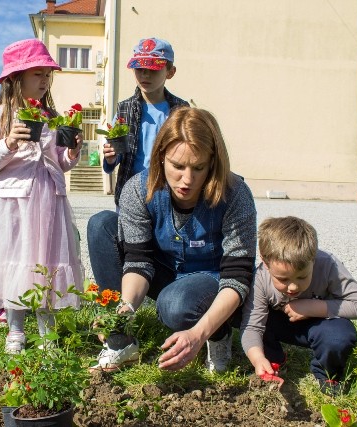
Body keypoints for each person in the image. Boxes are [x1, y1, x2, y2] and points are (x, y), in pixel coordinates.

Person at [89, 107, 257, 373]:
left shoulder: (236, 195)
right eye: (177, 166)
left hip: (212, 279)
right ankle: (120, 338)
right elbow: (138, 261)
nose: (187, 179)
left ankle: (219, 332)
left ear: (213, 163)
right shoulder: (138, 189)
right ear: (161, 157)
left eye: (198, 168)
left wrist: (198, 334)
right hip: (164, 271)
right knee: (101, 225)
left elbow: (238, 278)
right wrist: (126, 307)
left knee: (175, 305)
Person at [0, 39, 85, 352]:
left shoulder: (52, 117)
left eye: (48, 75)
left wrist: (72, 154)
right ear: (16, 78)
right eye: (37, 74)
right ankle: (15, 330)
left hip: (49, 198)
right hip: (14, 202)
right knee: (15, 263)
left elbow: (58, 161)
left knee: (46, 263)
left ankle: (47, 332)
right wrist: (9, 143)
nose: (45, 80)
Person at [87, 37, 189, 292]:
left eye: (153, 69)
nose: (145, 75)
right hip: (131, 196)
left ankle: (172, 291)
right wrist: (110, 158)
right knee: (129, 244)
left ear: (170, 72)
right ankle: (118, 300)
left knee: (164, 248)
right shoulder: (124, 110)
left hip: (169, 195)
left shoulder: (181, 110)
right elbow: (113, 158)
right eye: (139, 69)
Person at [241, 216, 357, 395]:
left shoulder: (327, 264)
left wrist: (312, 307)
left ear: (313, 258)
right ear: (265, 262)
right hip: (281, 323)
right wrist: (257, 359)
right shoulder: (261, 278)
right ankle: (272, 359)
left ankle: (326, 373)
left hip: (320, 324)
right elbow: (252, 327)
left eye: (302, 277)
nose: (293, 287)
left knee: (339, 336)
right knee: (239, 310)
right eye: (283, 279)